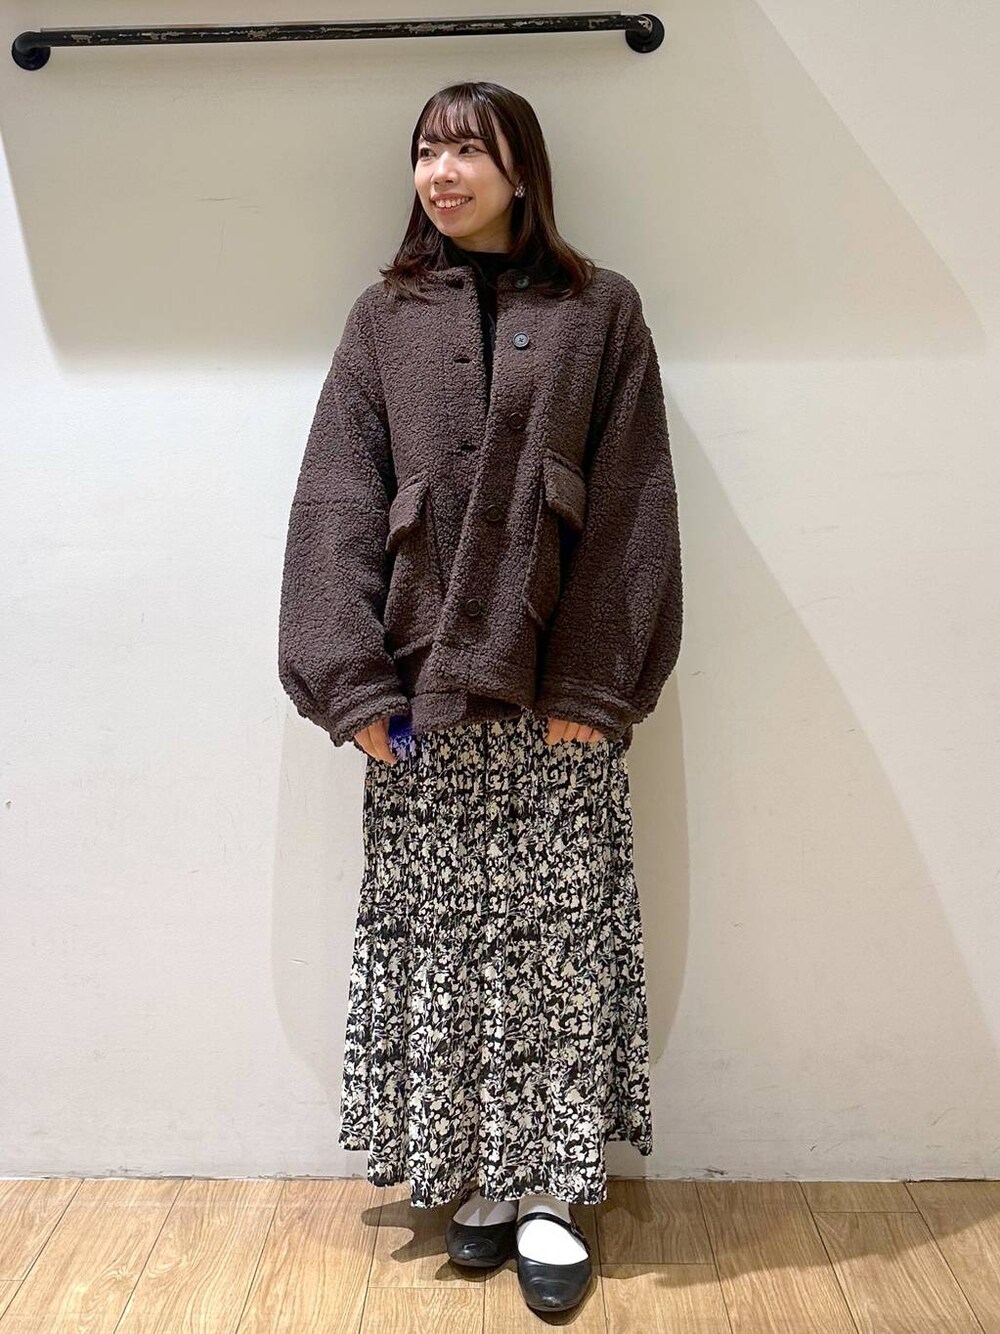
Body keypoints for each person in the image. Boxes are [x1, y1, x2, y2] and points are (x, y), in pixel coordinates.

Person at [277, 80, 683, 1316]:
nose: (441, 172)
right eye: (425, 150)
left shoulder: (600, 309)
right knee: (446, 948)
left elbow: (633, 497)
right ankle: (482, 1178)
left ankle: (551, 1189)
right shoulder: (384, 316)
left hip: (556, 696)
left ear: (521, 168)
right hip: (421, 700)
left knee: (556, 948)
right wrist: (349, 678)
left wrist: (599, 681)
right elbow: (338, 490)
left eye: (467, 149)